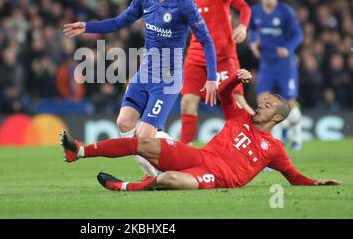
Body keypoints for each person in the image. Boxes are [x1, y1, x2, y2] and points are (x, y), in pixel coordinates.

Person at [63, 0, 218, 177]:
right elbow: (118, 23)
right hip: (144, 74)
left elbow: (206, 40)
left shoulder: (184, 3)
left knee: (144, 137)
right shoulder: (144, 0)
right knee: (124, 123)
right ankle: (157, 176)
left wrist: (212, 77)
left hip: (167, 79)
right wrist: (87, 27)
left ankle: (174, 171)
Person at [60, 69, 341, 191]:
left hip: (215, 178)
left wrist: (315, 183)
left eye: (267, 106)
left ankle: (124, 187)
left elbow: (292, 177)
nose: (260, 105)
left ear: (277, 118)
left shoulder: (275, 149)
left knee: (169, 180)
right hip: (198, 157)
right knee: (142, 140)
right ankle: (80, 152)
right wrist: (234, 78)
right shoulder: (240, 117)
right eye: (262, 101)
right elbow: (222, 93)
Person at [180, 0, 254, 146]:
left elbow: (244, 8)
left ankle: (261, 143)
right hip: (196, 55)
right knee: (187, 103)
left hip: (223, 56)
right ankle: (185, 155)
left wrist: (243, 27)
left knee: (238, 104)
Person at [249, 0, 304, 150]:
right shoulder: (255, 11)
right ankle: (274, 142)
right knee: (263, 102)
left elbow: (298, 34)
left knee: (290, 103)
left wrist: (288, 48)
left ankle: (296, 133)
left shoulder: (285, 11)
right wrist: (252, 42)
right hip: (267, 63)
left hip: (285, 65)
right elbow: (251, 29)